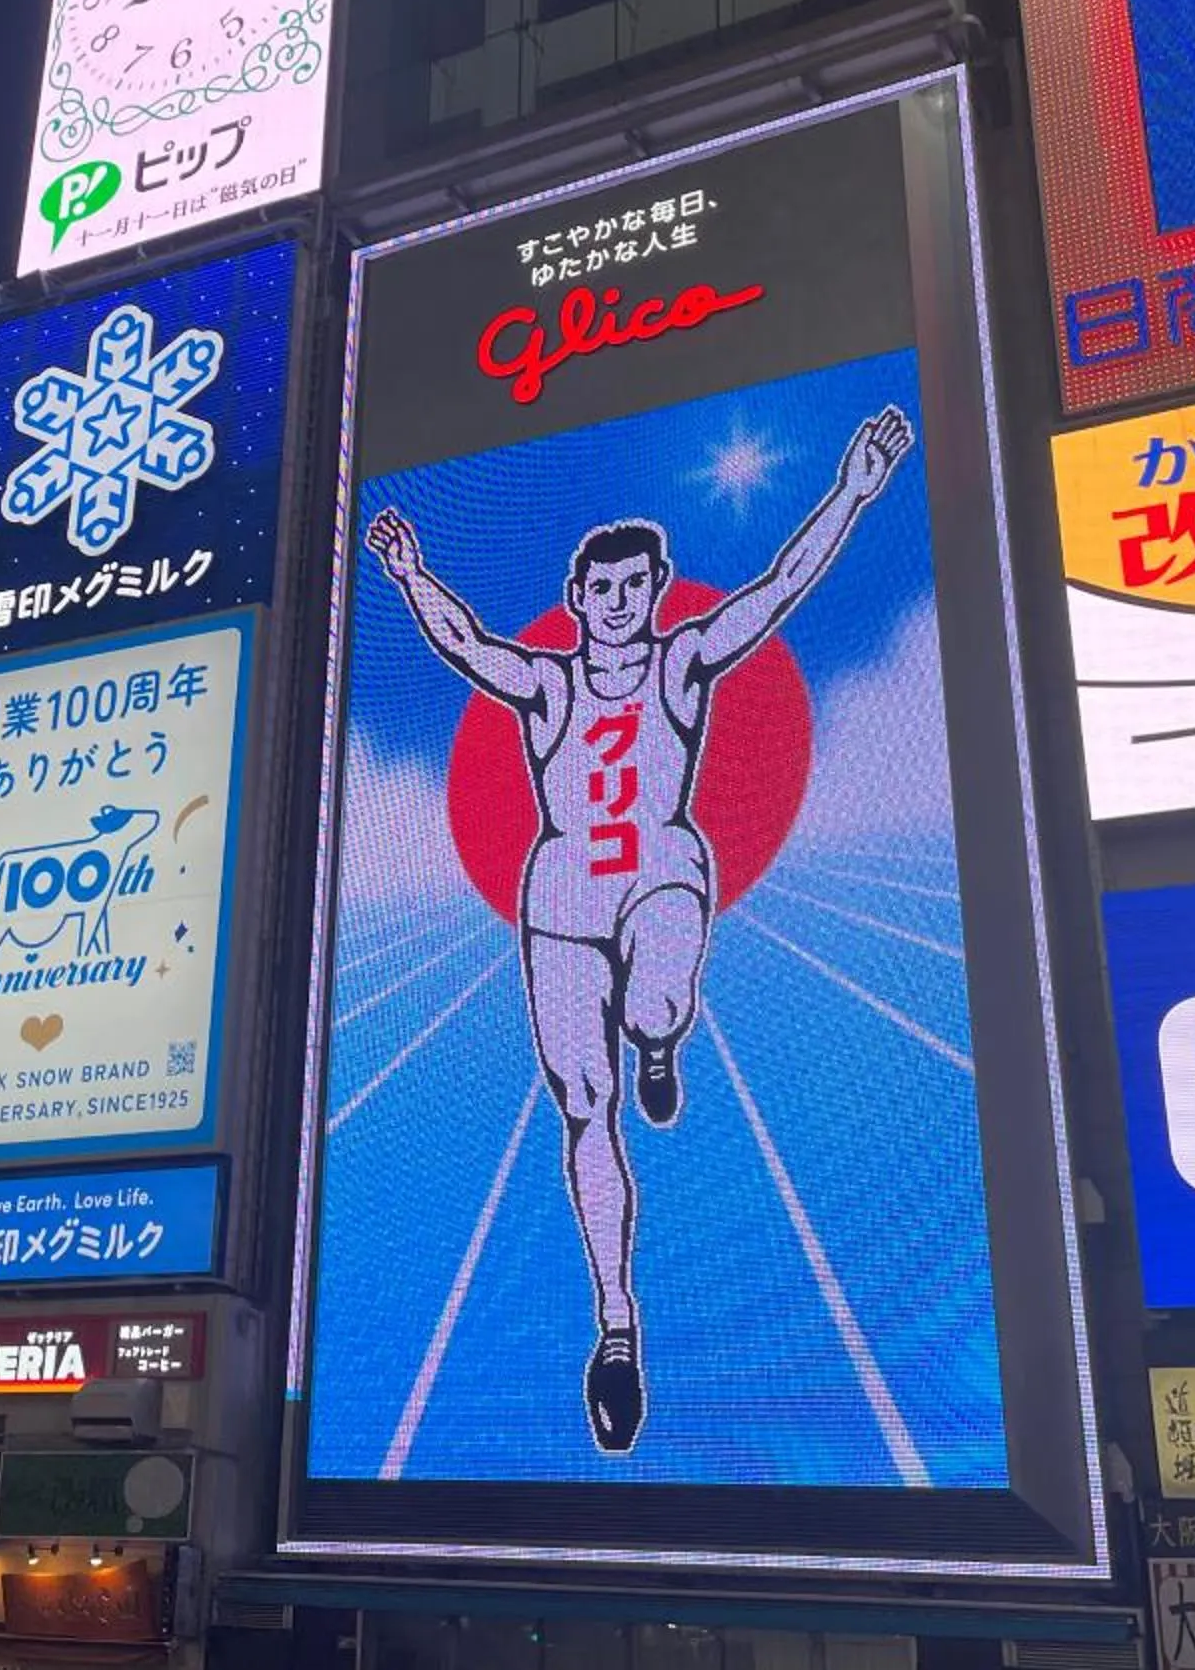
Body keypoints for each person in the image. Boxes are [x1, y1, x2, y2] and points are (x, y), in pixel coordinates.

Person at [363, 404, 910, 1455]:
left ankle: (660, 1036)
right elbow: (466, 642)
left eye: (633, 587)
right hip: (562, 894)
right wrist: (408, 575)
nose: (617, 604)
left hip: (660, 867)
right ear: (577, 600)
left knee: (656, 999)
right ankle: (617, 1326)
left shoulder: (684, 660)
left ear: (655, 593)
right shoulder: (546, 684)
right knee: (583, 1102)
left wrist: (853, 488)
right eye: (600, 590)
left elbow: (780, 590)